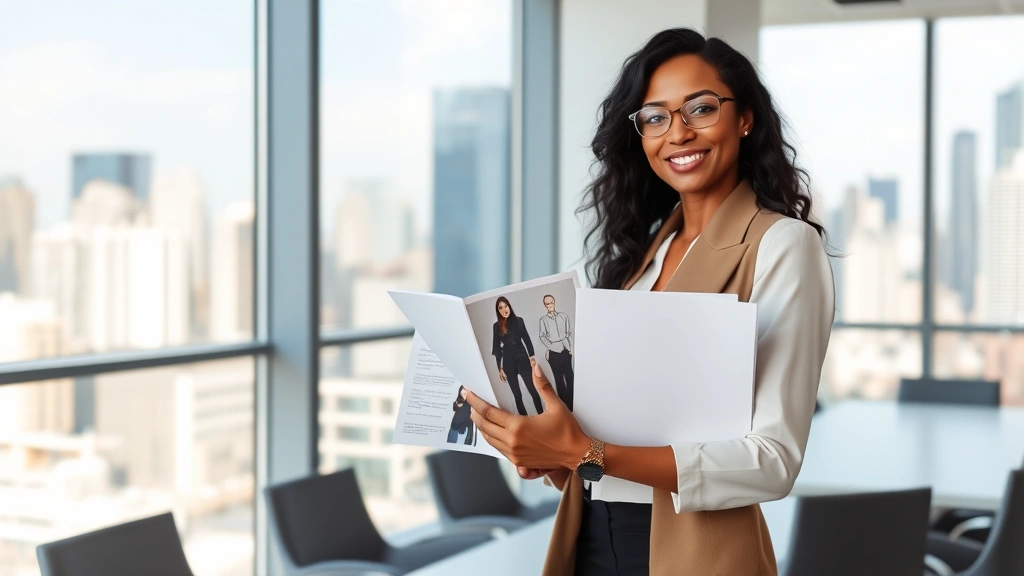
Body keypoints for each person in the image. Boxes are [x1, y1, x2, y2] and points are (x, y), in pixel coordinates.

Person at [466, 28, 834, 576]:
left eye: (701, 109)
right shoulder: (650, 251)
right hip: (589, 532)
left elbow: (772, 462)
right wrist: (548, 452)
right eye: (656, 117)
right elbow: (615, 425)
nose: (678, 133)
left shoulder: (782, 244)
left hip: (693, 550)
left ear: (745, 118)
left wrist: (583, 452)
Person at [491, 296, 544, 416]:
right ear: (498, 310)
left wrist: (531, 356)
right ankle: (525, 423)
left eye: (506, 306)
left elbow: (526, 338)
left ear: (509, 306)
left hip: (522, 356)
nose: (504, 309)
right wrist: (499, 367)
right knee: (517, 395)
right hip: (508, 361)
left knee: (533, 390)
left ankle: (542, 416)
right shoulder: (496, 326)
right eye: (500, 308)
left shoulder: (519, 320)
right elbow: (496, 348)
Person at [539, 295, 575, 411]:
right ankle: (565, 409)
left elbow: (568, 333)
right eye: (547, 303)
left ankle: (573, 405)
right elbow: (542, 336)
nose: (550, 305)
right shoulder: (543, 320)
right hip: (554, 353)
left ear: (554, 302)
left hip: (565, 350)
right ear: (545, 305)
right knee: (559, 380)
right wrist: (550, 347)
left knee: (570, 377)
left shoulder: (563, 317)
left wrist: (570, 348)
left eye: (551, 302)